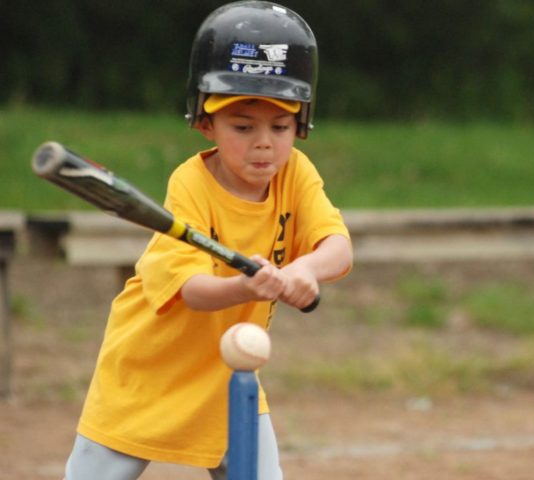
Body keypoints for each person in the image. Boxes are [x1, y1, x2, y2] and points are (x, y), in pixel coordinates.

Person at [63, 2, 353, 479]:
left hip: (228, 375)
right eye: (243, 126)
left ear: (300, 124)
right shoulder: (190, 184)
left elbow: (337, 247)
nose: (264, 142)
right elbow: (193, 291)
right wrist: (245, 287)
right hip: (146, 375)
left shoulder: (295, 174)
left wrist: (304, 270)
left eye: (280, 126)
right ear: (205, 123)